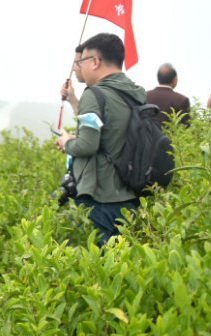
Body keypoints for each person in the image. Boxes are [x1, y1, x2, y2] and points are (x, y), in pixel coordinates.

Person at [56, 33, 148, 245]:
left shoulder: (94, 94)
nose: (79, 68)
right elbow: (108, 129)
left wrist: (67, 142)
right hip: (130, 191)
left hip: (100, 197)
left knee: (101, 265)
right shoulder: (135, 92)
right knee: (123, 261)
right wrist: (72, 99)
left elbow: (88, 145)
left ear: (95, 61)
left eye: (82, 62)